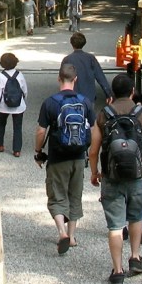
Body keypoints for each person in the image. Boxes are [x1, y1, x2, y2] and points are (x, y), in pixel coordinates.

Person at [89, 74, 142, 284]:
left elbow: (93, 150)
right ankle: (135, 257)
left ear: (113, 93)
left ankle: (118, 270)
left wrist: (95, 172)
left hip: (111, 176)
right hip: (138, 175)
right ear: (132, 92)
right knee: (136, 217)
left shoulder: (104, 115)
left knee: (115, 226)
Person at [34, 63, 94, 255]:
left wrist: (38, 151)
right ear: (75, 80)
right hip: (78, 156)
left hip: (57, 156)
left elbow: (41, 131)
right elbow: (92, 130)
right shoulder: (85, 102)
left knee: (57, 195)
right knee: (75, 195)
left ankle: (61, 232)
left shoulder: (50, 102)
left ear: (59, 79)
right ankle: (73, 235)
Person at [0, 52, 27, 156]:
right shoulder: (19, 75)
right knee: (18, 127)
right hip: (19, 106)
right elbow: (24, 90)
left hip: (4, 106)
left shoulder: (1, 76)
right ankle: (17, 150)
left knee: (1, 124)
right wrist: (23, 99)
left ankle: (0, 144)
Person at [61, 32, 113, 107]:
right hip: (89, 96)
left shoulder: (67, 59)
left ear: (71, 43)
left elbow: (62, 79)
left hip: (72, 97)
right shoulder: (90, 58)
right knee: (90, 117)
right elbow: (100, 77)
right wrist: (108, 93)